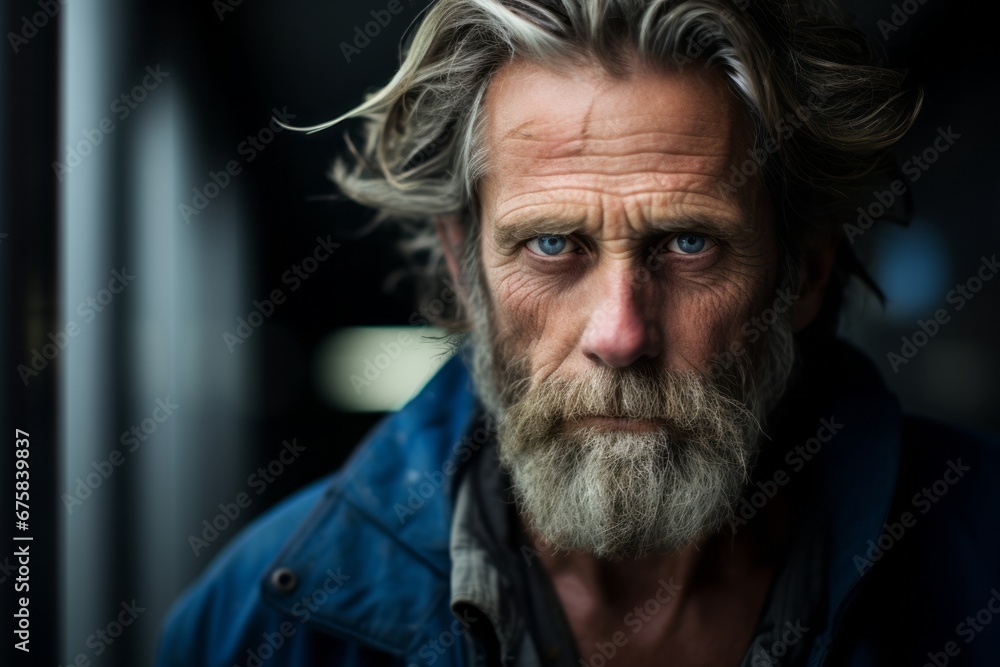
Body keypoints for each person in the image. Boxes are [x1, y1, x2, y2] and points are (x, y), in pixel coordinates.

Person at [157, 1, 1000, 665]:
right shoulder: (256, 622)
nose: (621, 333)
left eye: (688, 243)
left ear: (804, 272)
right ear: (464, 265)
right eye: (552, 244)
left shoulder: (978, 558)